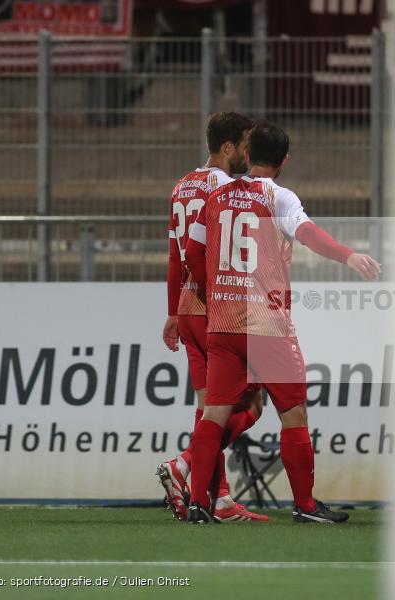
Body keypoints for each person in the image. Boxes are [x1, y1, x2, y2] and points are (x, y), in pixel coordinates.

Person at [182, 121, 381, 524]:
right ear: (284, 160)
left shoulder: (215, 195)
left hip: (222, 324)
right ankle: (306, 507)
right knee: (293, 415)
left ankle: (198, 503)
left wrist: (213, 293)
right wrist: (350, 256)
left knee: (214, 414)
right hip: (267, 324)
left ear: (247, 155)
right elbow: (306, 233)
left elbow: (192, 250)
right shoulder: (279, 197)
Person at [157, 111, 266, 523]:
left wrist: (173, 312)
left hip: (188, 304)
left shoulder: (182, 185)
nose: (247, 153)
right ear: (228, 148)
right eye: (244, 145)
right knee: (254, 401)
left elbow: (174, 256)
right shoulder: (229, 187)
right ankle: (185, 464)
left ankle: (218, 497)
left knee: (209, 408)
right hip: (220, 305)